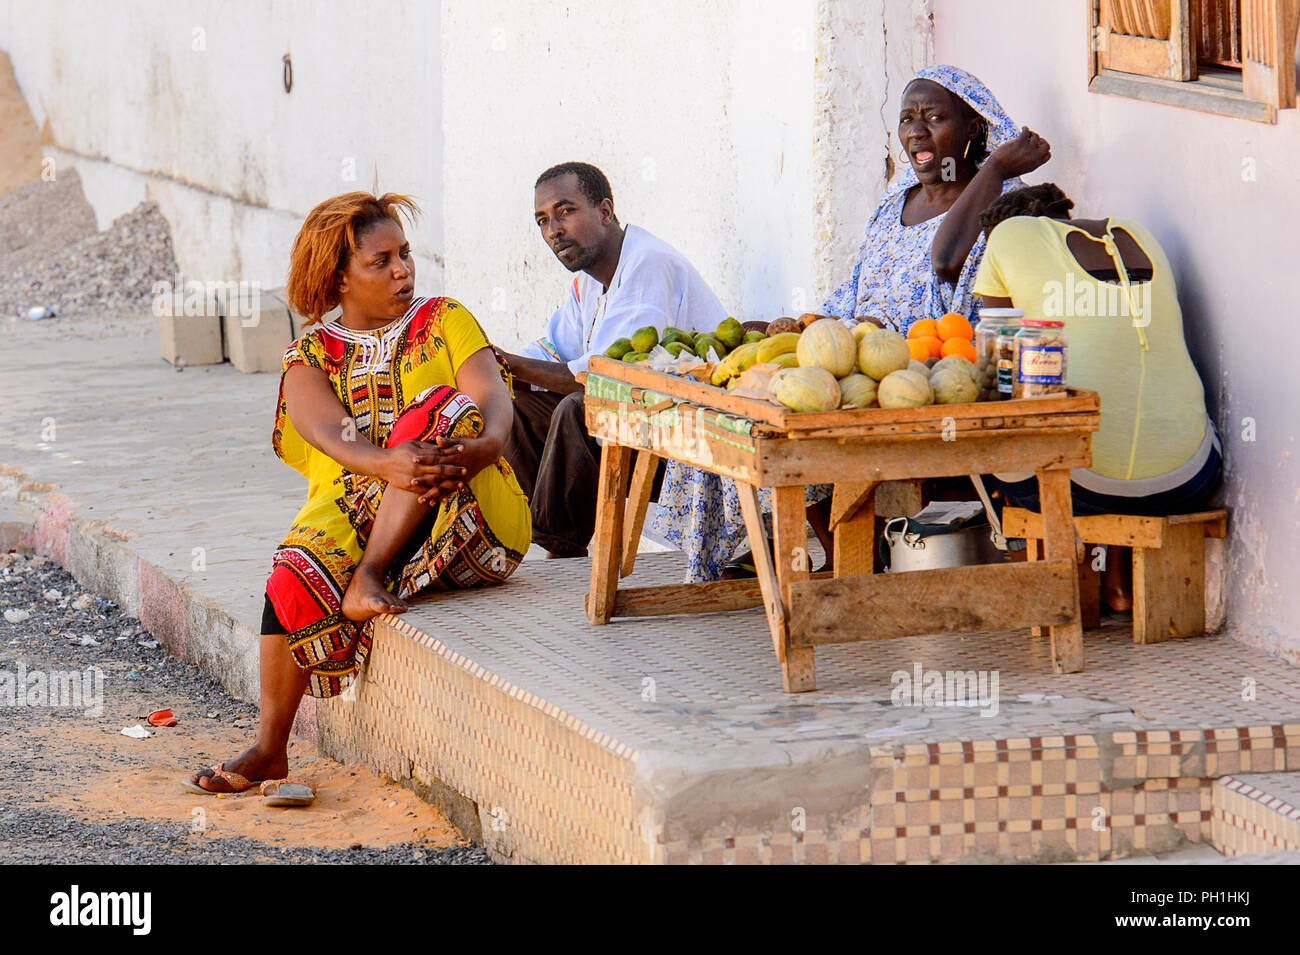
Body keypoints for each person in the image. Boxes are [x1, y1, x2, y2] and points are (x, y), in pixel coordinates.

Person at [184, 192, 530, 802]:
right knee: (293, 567)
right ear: (338, 276)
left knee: (441, 410)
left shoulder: (444, 318)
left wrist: (474, 450)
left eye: (405, 255)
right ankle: (269, 749)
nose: (403, 270)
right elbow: (327, 432)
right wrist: (389, 462)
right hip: (370, 507)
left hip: (473, 518)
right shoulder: (310, 357)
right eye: (382, 260)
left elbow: (493, 404)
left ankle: (367, 575)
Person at [655, 64, 1051, 582]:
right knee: (738, 404)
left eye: (934, 117)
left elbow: (958, 280)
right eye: (907, 118)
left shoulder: (1002, 204)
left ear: (975, 127)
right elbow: (857, 286)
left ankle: (848, 556)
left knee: (795, 412)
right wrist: (813, 320)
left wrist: (994, 169)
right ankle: (825, 549)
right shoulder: (894, 206)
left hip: (929, 369)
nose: (916, 130)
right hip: (860, 350)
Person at [974, 182, 1222, 610]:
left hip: (1083, 487)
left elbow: (995, 367)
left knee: (991, 433)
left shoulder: (1008, 234)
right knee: (1120, 415)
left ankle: (1044, 574)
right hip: (1191, 477)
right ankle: (1116, 583)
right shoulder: (1136, 233)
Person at [501, 161, 728, 558]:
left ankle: (559, 549)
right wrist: (495, 367)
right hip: (642, 426)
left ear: (605, 211)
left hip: (691, 439)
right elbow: (553, 352)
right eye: (542, 220)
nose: (553, 230)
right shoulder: (588, 281)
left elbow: (606, 377)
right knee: (515, 402)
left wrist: (513, 365)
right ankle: (530, 534)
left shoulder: (647, 263)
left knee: (579, 409)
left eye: (565, 211)